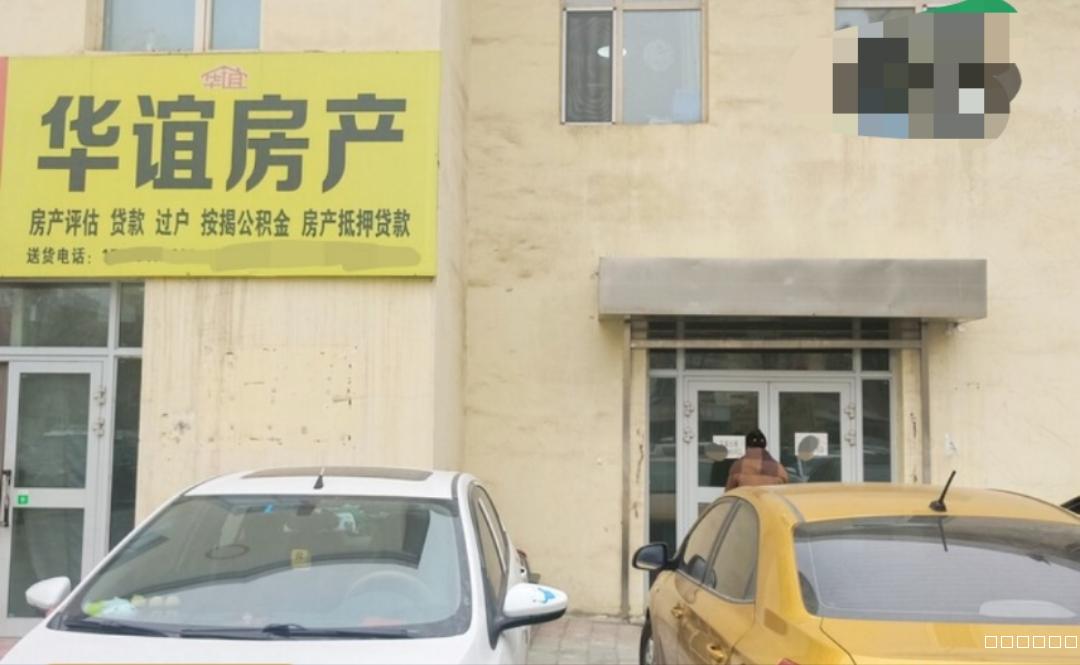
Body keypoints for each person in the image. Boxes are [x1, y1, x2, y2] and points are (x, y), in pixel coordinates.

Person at [725, 428, 789, 490]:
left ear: (746, 445)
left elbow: (729, 494)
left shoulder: (738, 466)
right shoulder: (778, 468)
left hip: (746, 497)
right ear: (764, 445)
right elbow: (784, 493)